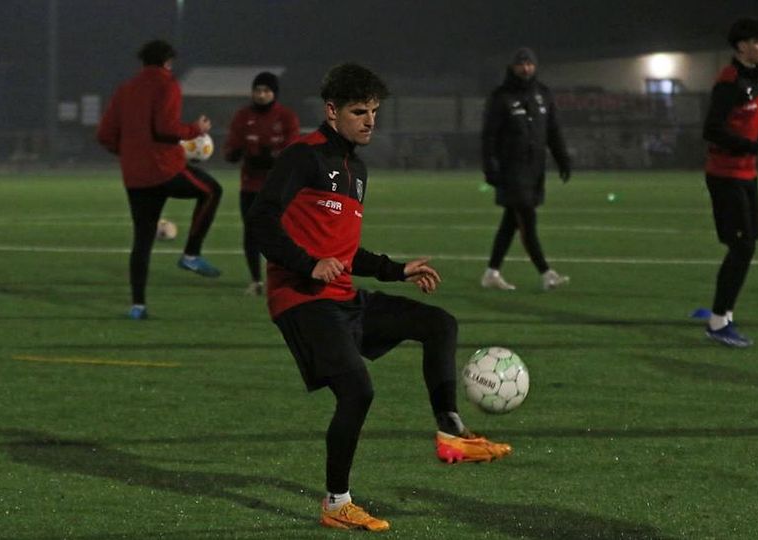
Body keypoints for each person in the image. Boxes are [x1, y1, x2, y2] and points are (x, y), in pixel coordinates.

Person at [247, 63, 512, 532]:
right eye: (358, 111)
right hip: (302, 299)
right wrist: (307, 263)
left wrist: (396, 269)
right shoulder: (302, 158)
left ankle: (452, 433)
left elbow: (346, 251)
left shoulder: (357, 169)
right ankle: (336, 503)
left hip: (343, 297)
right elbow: (261, 221)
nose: (370, 120)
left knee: (439, 324)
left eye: (374, 111)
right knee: (357, 390)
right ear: (331, 111)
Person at [97, 39, 223, 320]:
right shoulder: (167, 84)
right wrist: (196, 129)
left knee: (142, 239)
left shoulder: (125, 89)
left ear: (142, 62)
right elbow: (166, 128)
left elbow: (104, 135)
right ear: (168, 62)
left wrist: (129, 152)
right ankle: (191, 254)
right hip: (164, 168)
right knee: (212, 191)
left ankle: (138, 306)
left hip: (135, 176)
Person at [702, 18, 758, 347]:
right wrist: (753, 147)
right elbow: (713, 130)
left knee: (746, 244)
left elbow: (750, 117)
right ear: (742, 46)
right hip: (725, 174)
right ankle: (718, 322)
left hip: (747, 174)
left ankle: (724, 315)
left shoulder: (756, 76)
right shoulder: (729, 80)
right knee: (742, 246)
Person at [480, 47, 573, 291]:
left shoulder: (543, 94)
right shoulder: (501, 96)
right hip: (511, 170)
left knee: (511, 221)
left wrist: (563, 158)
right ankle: (546, 272)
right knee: (527, 219)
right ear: (512, 67)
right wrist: (490, 166)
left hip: (535, 170)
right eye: (521, 64)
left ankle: (491, 272)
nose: (526, 68)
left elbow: (553, 131)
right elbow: (489, 136)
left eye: (530, 64)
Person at [224, 72, 301, 296]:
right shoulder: (242, 116)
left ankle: (287, 277)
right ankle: (256, 280)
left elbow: (293, 151)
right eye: (257, 90)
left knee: (283, 233)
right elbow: (231, 148)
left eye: (266, 91)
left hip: (279, 187)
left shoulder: (286, 116)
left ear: (274, 93)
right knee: (251, 233)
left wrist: (271, 160)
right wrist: (235, 153)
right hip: (250, 186)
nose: (261, 95)